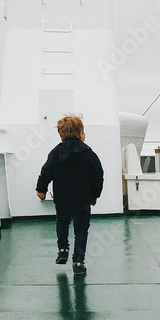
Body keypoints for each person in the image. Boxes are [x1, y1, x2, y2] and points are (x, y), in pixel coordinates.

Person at [35, 114, 104, 277]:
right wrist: (95, 195)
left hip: (62, 198)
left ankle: (63, 250)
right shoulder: (88, 153)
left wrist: (41, 189)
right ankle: (78, 263)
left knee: (62, 222)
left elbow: (46, 171)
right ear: (81, 133)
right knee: (81, 229)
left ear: (61, 134)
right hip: (83, 199)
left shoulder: (55, 152)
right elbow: (97, 175)